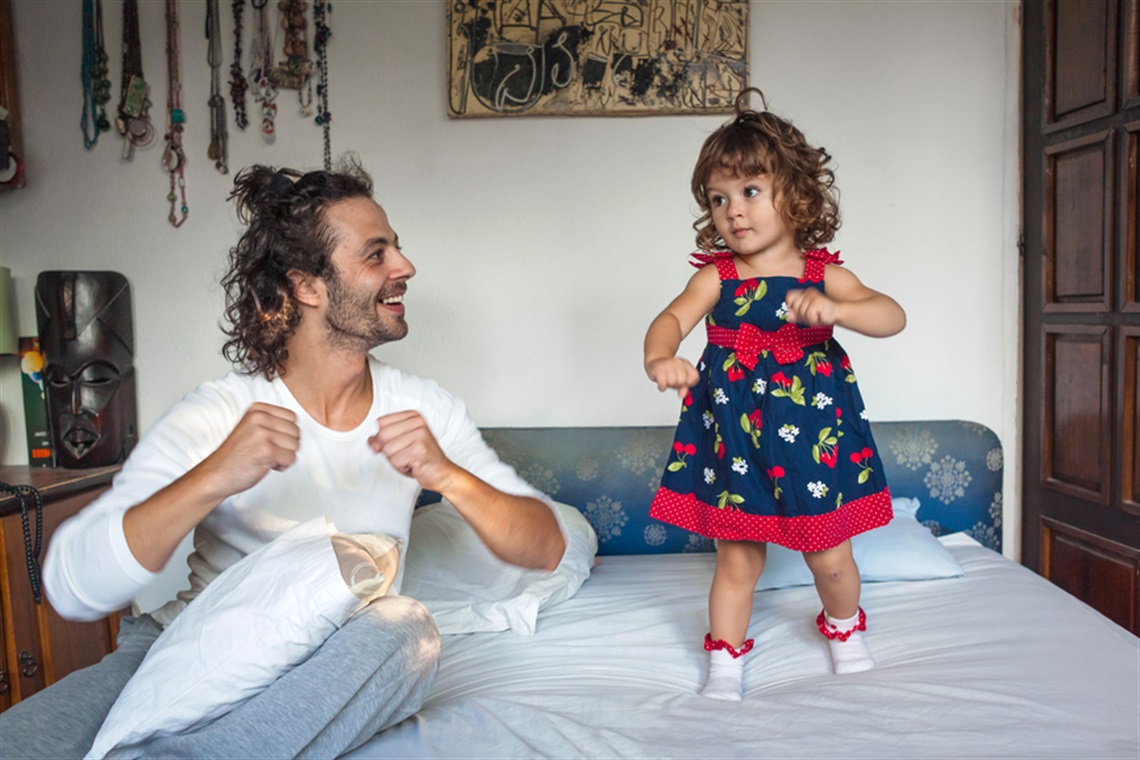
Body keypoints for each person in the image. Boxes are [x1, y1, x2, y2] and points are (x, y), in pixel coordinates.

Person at [0, 159, 567, 758]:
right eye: (377, 254)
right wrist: (214, 475)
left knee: (406, 628)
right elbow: (75, 584)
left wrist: (447, 475)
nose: (406, 267)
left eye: (397, 249)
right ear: (307, 285)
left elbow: (545, 547)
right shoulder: (222, 410)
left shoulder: (423, 409)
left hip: (337, 654)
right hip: (188, 642)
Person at [644, 89, 906, 701]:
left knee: (830, 555)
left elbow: (891, 315)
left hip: (811, 439)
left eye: (750, 191)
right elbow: (669, 319)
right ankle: (726, 659)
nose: (733, 211)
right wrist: (661, 356)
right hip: (735, 443)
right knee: (737, 559)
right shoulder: (716, 278)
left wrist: (840, 308)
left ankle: (843, 627)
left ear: (797, 193)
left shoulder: (824, 275)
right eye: (718, 198)